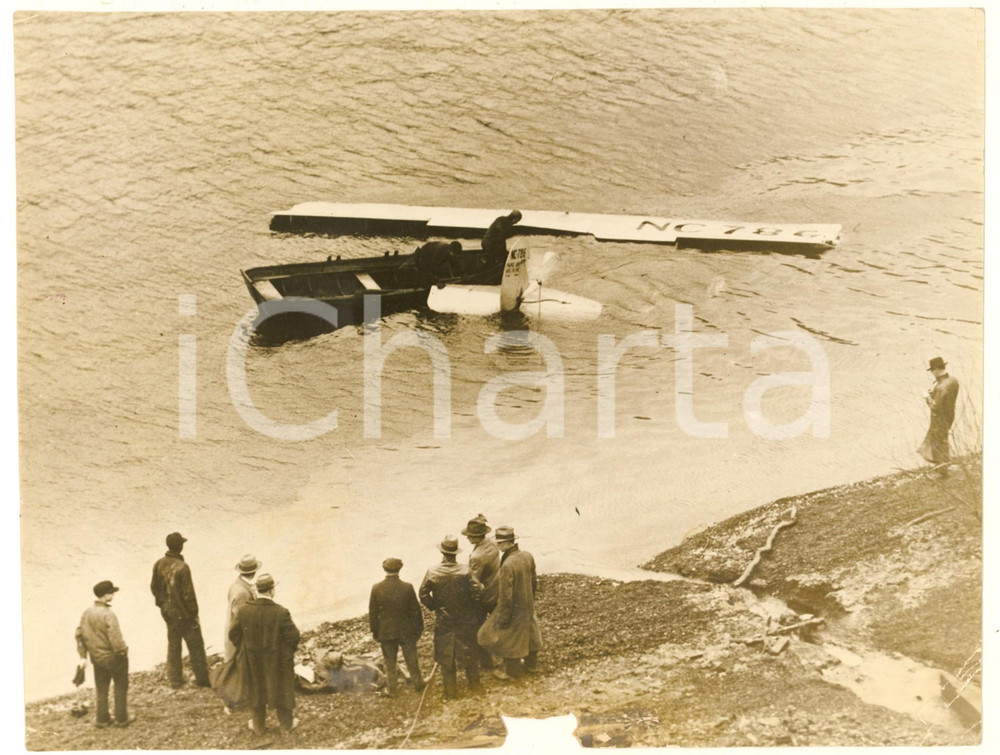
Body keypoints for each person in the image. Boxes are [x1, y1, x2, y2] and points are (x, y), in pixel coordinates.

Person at [229, 573, 301, 735]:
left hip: (252, 661)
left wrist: (247, 650)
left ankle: (259, 726)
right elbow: (294, 637)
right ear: (271, 591)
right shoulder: (281, 612)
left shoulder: (243, 611)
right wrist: (285, 653)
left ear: (258, 590)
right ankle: (286, 725)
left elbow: (233, 635)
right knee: (282, 690)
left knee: (256, 691)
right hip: (277, 661)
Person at [419, 536, 482, 700]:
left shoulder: (432, 571)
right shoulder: (465, 570)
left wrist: (435, 607)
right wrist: (470, 606)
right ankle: (474, 685)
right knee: (469, 649)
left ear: (442, 552)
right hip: (465, 617)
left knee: (446, 655)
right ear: (455, 553)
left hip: (444, 619)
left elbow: (423, 594)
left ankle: (450, 692)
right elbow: (477, 591)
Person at [476, 526, 542, 680]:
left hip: (514, 607)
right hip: (527, 603)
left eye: (499, 544)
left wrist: (503, 618)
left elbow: (506, 595)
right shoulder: (527, 556)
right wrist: (530, 599)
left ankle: (513, 672)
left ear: (506, 544)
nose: (498, 547)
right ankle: (531, 666)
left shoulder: (507, 565)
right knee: (530, 631)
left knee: (508, 637)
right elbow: (533, 581)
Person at [150, 531, 210, 688]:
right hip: (184, 615)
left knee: (173, 644)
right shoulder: (183, 567)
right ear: (180, 547)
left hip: (168, 613)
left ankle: (175, 680)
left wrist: (162, 605)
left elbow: (154, 588)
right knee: (196, 646)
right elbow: (188, 594)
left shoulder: (159, 563)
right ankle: (202, 681)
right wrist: (194, 614)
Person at [76, 580, 135, 728]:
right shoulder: (108, 614)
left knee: (101, 690)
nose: (114, 594)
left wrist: (83, 656)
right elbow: (116, 639)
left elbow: (79, 636)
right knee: (120, 687)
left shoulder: (86, 613)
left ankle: (102, 720)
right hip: (113, 658)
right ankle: (121, 719)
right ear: (106, 596)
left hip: (97, 658)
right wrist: (123, 653)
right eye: (112, 592)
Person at [368, 557, 425, 697]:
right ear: (400, 569)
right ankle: (418, 684)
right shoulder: (407, 587)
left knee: (390, 663)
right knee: (412, 659)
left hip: (386, 631)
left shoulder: (376, 588)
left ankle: (392, 690)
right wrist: (418, 630)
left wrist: (375, 632)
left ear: (384, 569)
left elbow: (373, 613)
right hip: (406, 630)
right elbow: (416, 611)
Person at [462, 514, 500, 669]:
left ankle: (486, 662)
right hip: (497, 589)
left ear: (474, 537)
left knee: (478, 628)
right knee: (497, 624)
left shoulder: (478, 556)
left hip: (485, 596)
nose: (467, 538)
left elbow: (474, 581)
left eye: (469, 536)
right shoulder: (492, 543)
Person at [918, 356, 960, 472]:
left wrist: (927, 398)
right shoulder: (953, 380)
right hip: (950, 415)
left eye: (932, 370)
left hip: (939, 419)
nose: (932, 373)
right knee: (943, 439)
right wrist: (934, 393)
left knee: (936, 442)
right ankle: (945, 464)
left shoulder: (941, 387)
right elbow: (946, 398)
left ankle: (942, 470)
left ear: (936, 369)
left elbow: (935, 406)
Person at [225, 554, 260, 662]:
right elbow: (242, 622)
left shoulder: (236, 585)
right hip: (239, 646)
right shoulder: (242, 593)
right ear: (254, 571)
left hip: (235, 641)